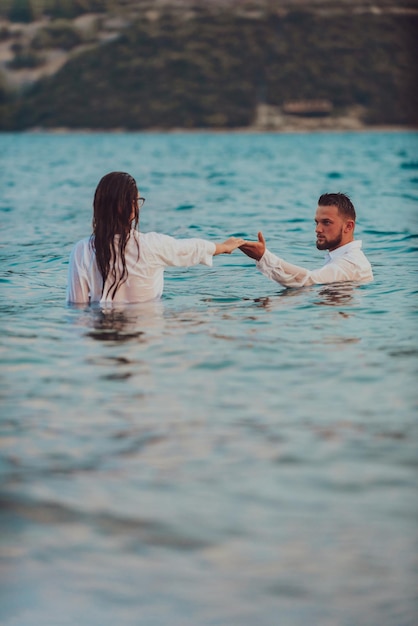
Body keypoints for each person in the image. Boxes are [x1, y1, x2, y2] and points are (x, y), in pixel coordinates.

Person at [67, 171, 245, 304]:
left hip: (101, 336)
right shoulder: (152, 245)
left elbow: (78, 306)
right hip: (148, 337)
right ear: (131, 208)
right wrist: (224, 247)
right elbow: (192, 248)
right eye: (137, 201)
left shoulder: (82, 251)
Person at [239, 193, 373, 288]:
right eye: (317, 223)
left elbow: (309, 281)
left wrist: (264, 256)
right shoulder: (342, 258)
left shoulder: (351, 263)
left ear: (348, 226)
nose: (318, 229)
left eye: (326, 222)